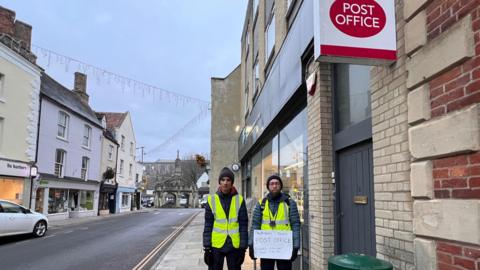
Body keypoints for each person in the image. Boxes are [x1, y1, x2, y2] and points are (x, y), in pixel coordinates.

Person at [248, 174, 301, 270]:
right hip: (266, 247)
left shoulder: (289, 203)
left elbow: (295, 224)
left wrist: (296, 245)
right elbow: (255, 224)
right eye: (272, 184)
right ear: (268, 186)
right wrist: (251, 244)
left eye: (277, 183)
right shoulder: (261, 204)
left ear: (280, 185)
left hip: (284, 247)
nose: (274, 186)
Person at [203, 167, 248, 270]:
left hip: (234, 245)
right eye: (223, 180)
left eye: (228, 180)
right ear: (219, 182)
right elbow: (208, 225)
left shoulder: (239, 200)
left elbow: (243, 225)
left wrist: (243, 248)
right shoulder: (212, 200)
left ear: (232, 182)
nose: (225, 183)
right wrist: (207, 247)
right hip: (216, 245)